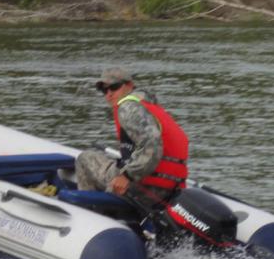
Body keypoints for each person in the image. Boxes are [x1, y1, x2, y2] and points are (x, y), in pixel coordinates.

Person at [75, 68, 189, 209]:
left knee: (85, 159)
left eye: (114, 87)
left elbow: (152, 145)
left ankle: (89, 213)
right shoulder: (149, 105)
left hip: (144, 188)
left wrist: (127, 176)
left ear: (129, 85)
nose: (109, 94)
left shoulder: (128, 107)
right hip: (173, 188)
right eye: (104, 91)